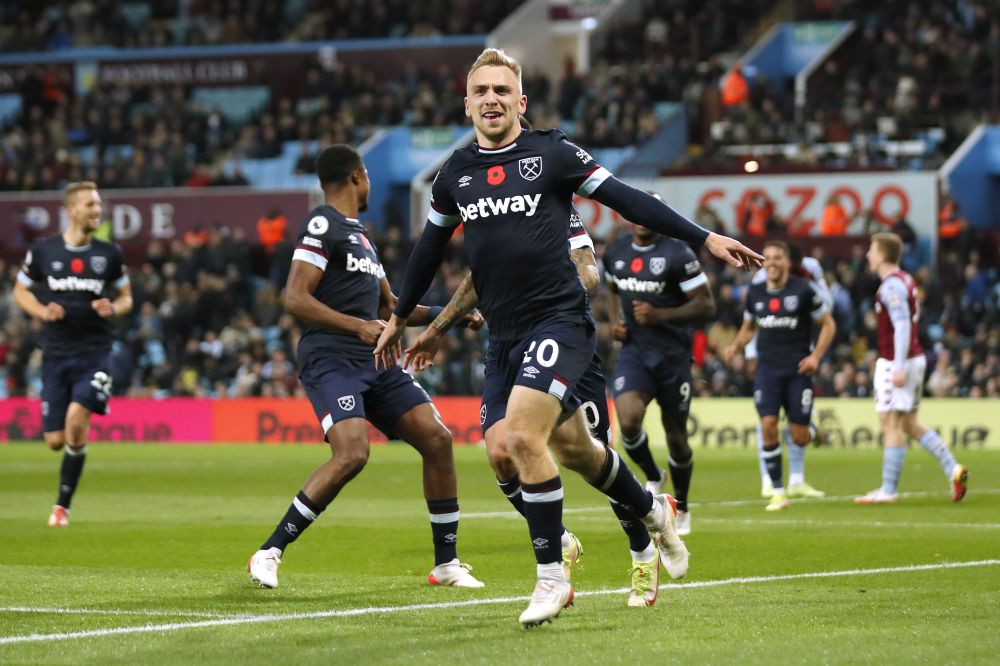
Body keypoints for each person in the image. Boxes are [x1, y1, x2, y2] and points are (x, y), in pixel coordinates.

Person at [374, 48, 762, 626]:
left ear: (520, 101)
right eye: (481, 91)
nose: (491, 99)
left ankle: (552, 578)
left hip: (558, 322)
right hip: (504, 337)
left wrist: (704, 237)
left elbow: (626, 198)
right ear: (466, 104)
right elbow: (430, 249)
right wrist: (402, 316)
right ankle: (653, 509)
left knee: (524, 437)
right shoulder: (455, 174)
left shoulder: (551, 153)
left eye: (502, 90)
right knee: (548, 452)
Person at [246, 145, 484, 590]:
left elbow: (391, 307)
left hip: (374, 358)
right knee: (353, 453)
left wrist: (449, 314)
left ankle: (446, 564)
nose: (370, 182)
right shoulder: (323, 224)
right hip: (331, 356)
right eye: (368, 175)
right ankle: (270, 551)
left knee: (437, 439)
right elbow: (294, 297)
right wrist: (356, 325)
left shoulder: (362, 237)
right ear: (357, 176)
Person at [406, 208, 667, 608]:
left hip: (562, 340)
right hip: (507, 347)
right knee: (501, 454)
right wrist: (438, 327)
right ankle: (560, 542)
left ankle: (642, 551)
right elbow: (478, 277)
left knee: (594, 456)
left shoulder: (553, 203)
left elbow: (588, 270)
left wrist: (547, 291)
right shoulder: (488, 207)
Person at [13, 181, 133, 527]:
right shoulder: (44, 250)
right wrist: (41, 311)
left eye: (99, 204)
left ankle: (61, 507)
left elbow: (127, 297)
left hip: (95, 352)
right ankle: (69, 468)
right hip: (55, 354)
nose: (98, 210)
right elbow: (21, 291)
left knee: (77, 420)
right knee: (55, 440)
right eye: (91, 205)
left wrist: (114, 306)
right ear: (71, 210)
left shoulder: (109, 254)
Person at [602, 201, 716, 536]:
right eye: (635, 213)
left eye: (648, 213)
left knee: (676, 437)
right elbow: (611, 289)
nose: (641, 219)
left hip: (672, 356)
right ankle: (654, 475)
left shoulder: (679, 254)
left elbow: (707, 306)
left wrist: (659, 315)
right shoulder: (616, 252)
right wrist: (616, 321)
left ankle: (682, 505)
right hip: (635, 352)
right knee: (628, 423)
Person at [855, 232, 968, 505]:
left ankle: (888, 490)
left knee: (890, 423)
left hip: (898, 361)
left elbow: (902, 324)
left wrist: (897, 365)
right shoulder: (905, 279)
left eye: (872, 250)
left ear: (882, 255)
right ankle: (952, 469)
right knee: (908, 423)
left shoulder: (891, 286)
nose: (868, 255)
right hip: (912, 358)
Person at [724, 240, 835, 511]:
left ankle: (810, 430)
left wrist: (816, 357)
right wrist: (736, 345)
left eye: (777, 258)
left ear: (787, 262)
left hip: (798, 371)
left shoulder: (803, 290)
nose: (772, 263)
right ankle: (777, 492)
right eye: (768, 258)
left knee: (798, 437)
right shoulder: (755, 292)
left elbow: (828, 325)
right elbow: (749, 326)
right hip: (767, 372)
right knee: (768, 425)